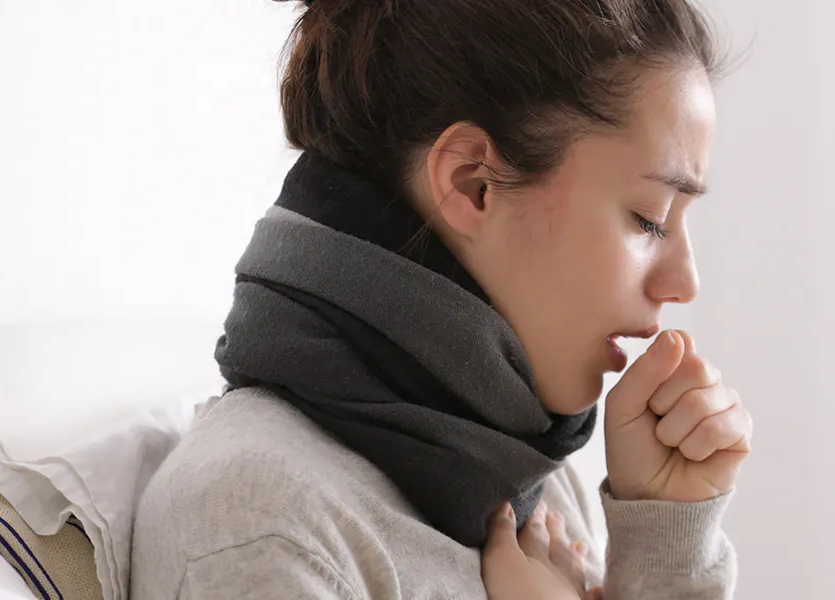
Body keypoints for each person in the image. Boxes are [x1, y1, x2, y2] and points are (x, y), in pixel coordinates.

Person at [129, 0, 753, 597]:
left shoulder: (527, 480)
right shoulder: (265, 525)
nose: (685, 281)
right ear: (472, 182)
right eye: (648, 218)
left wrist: (667, 542)